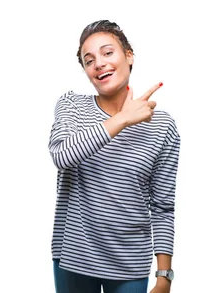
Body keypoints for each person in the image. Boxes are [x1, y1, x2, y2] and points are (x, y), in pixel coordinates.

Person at [48, 20, 181, 293]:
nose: (99, 63)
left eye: (108, 53)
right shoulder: (71, 105)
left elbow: (163, 206)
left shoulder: (163, 126)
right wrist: (121, 120)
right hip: (74, 257)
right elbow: (62, 155)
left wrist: (164, 275)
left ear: (128, 56)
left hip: (130, 262)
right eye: (89, 60)